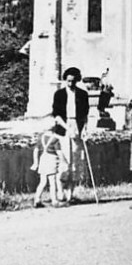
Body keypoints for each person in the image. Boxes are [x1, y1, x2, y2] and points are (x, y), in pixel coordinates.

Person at [51, 66, 90, 203]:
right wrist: (67, 127)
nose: (71, 84)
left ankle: (70, 194)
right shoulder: (59, 94)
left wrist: (84, 129)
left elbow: (85, 114)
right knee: (64, 162)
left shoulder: (82, 94)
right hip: (63, 128)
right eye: (68, 81)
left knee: (75, 161)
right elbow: (56, 115)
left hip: (77, 127)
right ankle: (60, 192)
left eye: (73, 81)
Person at [31, 126, 65, 208]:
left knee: (42, 182)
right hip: (52, 160)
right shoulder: (55, 139)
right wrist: (64, 161)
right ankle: (54, 200)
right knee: (52, 182)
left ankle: (37, 199)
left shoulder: (41, 138)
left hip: (43, 159)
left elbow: (36, 151)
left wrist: (36, 162)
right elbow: (59, 152)